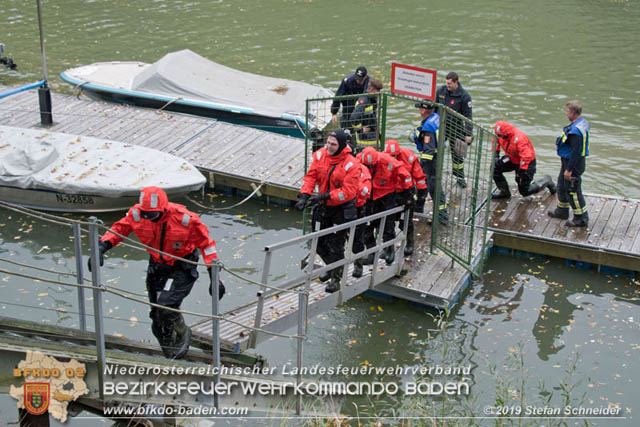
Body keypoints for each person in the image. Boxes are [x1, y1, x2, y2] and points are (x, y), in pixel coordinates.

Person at [89, 186, 223, 360]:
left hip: (181, 265)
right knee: (156, 317)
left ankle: (183, 332)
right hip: (157, 265)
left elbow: (207, 244)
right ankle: (168, 344)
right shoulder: (137, 215)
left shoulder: (184, 219)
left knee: (166, 306)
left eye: (152, 215)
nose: (148, 219)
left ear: (163, 210)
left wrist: (215, 277)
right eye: (145, 214)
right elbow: (119, 229)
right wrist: (102, 247)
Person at [295, 129, 360, 293]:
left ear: (342, 145)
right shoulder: (319, 155)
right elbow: (311, 177)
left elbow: (348, 192)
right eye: (328, 143)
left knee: (336, 246)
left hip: (342, 208)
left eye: (333, 144)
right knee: (319, 243)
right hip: (324, 205)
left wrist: (325, 195)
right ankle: (333, 267)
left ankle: (336, 278)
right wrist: (304, 195)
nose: (329, 147)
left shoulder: (351, 164)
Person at [358, 147, 412, 265]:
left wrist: (407, 193)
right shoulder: (359, 161)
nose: (369, 169)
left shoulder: (388, 161)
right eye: (367, 166)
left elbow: (405, 175)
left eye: (371, 166)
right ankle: (372, 254)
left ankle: (389, 250)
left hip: (386, 195)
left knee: (388, 224)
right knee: (366, 226)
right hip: (368, 196)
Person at [548, 101, 590, 227]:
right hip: (567, 161)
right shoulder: (581, 123)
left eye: (567, 111)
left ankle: (581, 218)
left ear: (572, 112)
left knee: (573, 190)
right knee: (561, 185)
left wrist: (569, 169)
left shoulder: (576, 132)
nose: (566, 113)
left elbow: (576, 152)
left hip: (573, 164)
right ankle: (562, 210)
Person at [491, 120, 556, 199]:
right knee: (495, 168)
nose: (500, 137)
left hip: (526, 163)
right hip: (511, 158)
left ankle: (546, 181)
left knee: (525, 191)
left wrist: (521, 171)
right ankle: (504, 192)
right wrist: (496, 155)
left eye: (502, 136)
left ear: (507, 134)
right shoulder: (500, 135)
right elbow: (496, 142)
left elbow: (526, 156)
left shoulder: (519, 138)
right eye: (499, 135)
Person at [384, 139, 427, 256]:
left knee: (406, 222)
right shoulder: (382, 159)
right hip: (390, 194)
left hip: (405, 193)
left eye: (395, 156)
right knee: (387, 223)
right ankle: (389, 249)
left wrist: (421, 196)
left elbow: (419, 176)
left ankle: (410, 243)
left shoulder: (409, 157)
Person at [412, 102, 449, 224]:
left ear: (423, 110)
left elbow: (429, 150)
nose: (419, 111)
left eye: (420, 108)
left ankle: (442, 217)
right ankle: (419, 210)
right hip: (438, 158)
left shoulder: (428, 126)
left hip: (431, 162)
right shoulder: (436, 118)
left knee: (432, 186)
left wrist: (421, 165)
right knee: (429, 185)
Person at [435, 72, 473, 187]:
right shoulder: (441, 91)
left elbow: (468, 116)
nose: (447, 86)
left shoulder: (464, 96)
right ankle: (435, 175)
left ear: (456, 82)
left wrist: (469, 134)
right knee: (436, 151)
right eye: (446, 83)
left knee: (458, 154)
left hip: (456, 128)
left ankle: (460, 178)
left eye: (450, 84)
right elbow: (434, 107)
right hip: (441, 126)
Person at [349, 78, 383, 152]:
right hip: (365, 140)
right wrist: (360, 130)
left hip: (371, 137)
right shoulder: (364, 102)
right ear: (370, 89)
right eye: (377, 91)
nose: (378, 93)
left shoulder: (372, 99)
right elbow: (353, 118)